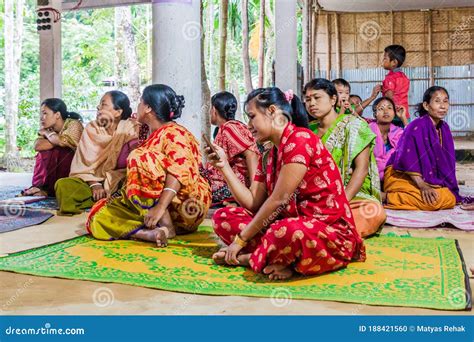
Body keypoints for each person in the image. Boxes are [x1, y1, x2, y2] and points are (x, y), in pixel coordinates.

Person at [207, 87, 365, 280]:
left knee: (289, 231)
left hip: (327, 234)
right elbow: (253, 203)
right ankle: (279, 257)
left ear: (272, 111)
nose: (249, 125)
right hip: (282, 226)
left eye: (252, 116)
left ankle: (251, 258)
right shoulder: (270, 154)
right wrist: (224, 167)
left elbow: (279, 199)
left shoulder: (300, 139)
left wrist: (241, 240)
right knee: (224, 217)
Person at [87, 84, 211, 247]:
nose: (136, 106)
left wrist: (160, 207)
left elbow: (180, 171)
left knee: (140, 157)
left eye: (140, 102)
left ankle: (166, 224)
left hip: (185, 206)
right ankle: (149, 234)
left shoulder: (175, 132)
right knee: (98, 215)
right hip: (153, 207)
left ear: (148, 108)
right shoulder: (149, 134)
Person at [304, 78, 386, 238]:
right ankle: (324, 231)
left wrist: (341, 202)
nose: (312, 103)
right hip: (314, 196)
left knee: (374, 212)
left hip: (349, 194)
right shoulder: (307, 130)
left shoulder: (355, 125)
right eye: (308, 99)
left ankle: (315, 230)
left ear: (333, 99)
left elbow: (361, 170)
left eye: (317, 97)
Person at [384, 86, 473, 210]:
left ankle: (405, 195)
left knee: (448, 197)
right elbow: (405, 159)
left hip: (427, 179)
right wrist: (423, 186)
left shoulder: (444, 128)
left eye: (445, 101)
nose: (442, 106)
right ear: (426, 106)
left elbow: (446, 162)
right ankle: (386, 197)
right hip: (401, 175)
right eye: (437, 101)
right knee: (435, 201)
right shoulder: (416, 126)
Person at [55, 91, 139, 215]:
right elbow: (82, 165)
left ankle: (105, 201)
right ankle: (105, 202)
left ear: (118, 112)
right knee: (63, 185)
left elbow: (136, 159)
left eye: (103, 105)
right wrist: (94, 184)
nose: (98, 107)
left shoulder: (131, 127)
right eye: (99, 104)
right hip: (88, 181)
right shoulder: (91, 128)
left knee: (132, 187)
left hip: (117, 181)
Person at [201, 91, 260, 205]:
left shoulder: (229, 128)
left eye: (210, 110)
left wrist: (254, 188)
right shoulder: (229, 127)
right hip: (228, 183)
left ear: (213, 110)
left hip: (234, 185)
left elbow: (251, 153)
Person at [20, 98, 83, 197]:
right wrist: (55, 139)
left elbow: (63, 142)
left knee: (62, 150)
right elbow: (38, 145)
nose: (42, 118)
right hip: (56, 166)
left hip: (77, 168)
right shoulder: (50, 127)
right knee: (44, 151)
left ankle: (49, 190)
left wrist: (46, 133)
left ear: (57, 115)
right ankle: (41, 187)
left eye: (45, 113)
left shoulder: (73, 124)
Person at [368, 97, 406, 182]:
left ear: (394, 113)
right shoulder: (367, 131)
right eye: (381, 108)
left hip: (393, 175)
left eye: (389, 108)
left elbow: (411, 144)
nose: (386, 111)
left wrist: (403, 118)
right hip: (369, 174)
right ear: (375, 114)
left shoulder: (398, 132)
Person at [382, 45, 410, 126]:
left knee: (392, 137)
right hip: (404, 114)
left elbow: (389, 96)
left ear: (394, 62)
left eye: (385, 58)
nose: (383, 61)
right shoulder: (404, 76)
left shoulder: (390, 78)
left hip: (394, 116)